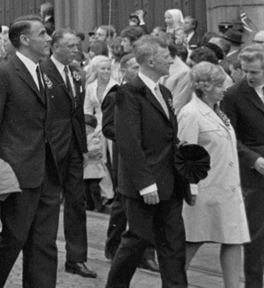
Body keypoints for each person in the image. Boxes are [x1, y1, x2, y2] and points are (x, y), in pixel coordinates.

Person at [0, 15, 61, 288]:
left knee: (44, 244)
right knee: (13, 239)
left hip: (46, 172)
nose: (49, 39)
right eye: (43, 34)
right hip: (16, 174)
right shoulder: (3, 73)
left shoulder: (44, 72)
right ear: (24, 40)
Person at [105, 36, 190, 288]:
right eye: (166, 57)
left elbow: (168, 137)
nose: (171, 61)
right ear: (151, 60)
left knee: (173, 246)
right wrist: (146, 184)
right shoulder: (128, 93)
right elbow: (129, 143)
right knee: (135, 242)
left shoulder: (163, 91)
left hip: (171, 183)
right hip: (145, 187)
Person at [178, 61, 248, 288]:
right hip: (203, 191)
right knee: (191, 241)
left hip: (227, 190)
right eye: (219, 85)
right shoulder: (190, 114)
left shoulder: (219, 112)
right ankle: (173, 283)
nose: (224, 90)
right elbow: (185, 156)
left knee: (233, 240)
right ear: (205, 86)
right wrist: (191, 189)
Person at [42, 29, 96, 279]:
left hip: (74, 145)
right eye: (71, 46)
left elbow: (77, 113)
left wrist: (82, 147)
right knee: (50, 202)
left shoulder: (76, 73)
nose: (76, 50)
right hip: (51, 147)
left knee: (77, 202)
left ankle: (76, 257)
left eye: (77, 46)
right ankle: (45, 253)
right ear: (55, 47)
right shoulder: (42, 71)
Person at [222, 45, 264, 288]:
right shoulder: (233, 95)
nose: (250, 76)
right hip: (254, 175)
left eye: (255, 72)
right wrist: (253, 159)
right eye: (246, 71)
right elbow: (230, 137)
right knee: (256, 237)